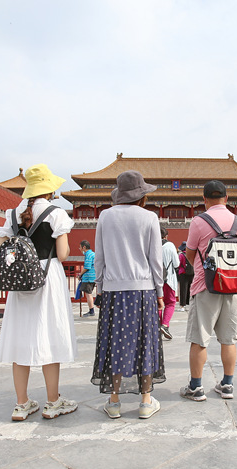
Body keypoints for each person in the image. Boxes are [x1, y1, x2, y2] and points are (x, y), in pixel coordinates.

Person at [0, 163, 78, 421]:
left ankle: (22, 404)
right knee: (49, 334)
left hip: (21, 281)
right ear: (49, 189)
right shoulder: (56, 213)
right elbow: (62, 254)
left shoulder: (12, 214)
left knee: (21, 338)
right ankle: (53, 402)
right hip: (47, 277)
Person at [90, 170, 164, 419]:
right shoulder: (150, 217)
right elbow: (155, 260)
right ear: (142, 196)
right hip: (143, 290)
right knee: (145, 342)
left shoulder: (105, 216)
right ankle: (145, 401)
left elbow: (99, 258)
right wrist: (160, 290)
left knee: (115, 343)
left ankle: (114, 401)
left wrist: (100, 288)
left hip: (113, 291)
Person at [180, 180, 237, 402]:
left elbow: (190, 254)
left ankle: (196, 387)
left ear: (204, 199)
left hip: (205, 286)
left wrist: (202, 269)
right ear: (226, 198)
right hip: (233, 286)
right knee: (229, 339)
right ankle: (227, 385)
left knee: (200, 339)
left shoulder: (199, 222)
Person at [160, 226, 179, 339]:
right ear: (166, 236)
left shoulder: (151, 244)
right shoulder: (170, 245)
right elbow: (176, 263)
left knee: (158, 303)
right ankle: (165, 324)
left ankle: (157, 326)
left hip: (155, 280)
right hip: (169, 279)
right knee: (170, 303)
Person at [79, 240, 96, 317]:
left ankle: (91, 310)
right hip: (93, 276)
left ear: (84, 247)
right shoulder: (93, 254)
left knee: (88, 294)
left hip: (88, 277)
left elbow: (87, 267)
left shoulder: (88, 255)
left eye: (80, 247)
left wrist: (80, 274)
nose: (80, 249)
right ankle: (91, 310)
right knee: (89, 293)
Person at [177, 242, 193, 311]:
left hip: (183, 274)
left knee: (183, 289)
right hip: (192, 273)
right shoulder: (191, 254)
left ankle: (182, 306)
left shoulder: (181, 255)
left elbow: (178, 264)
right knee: (190, 289)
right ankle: (189, 304)